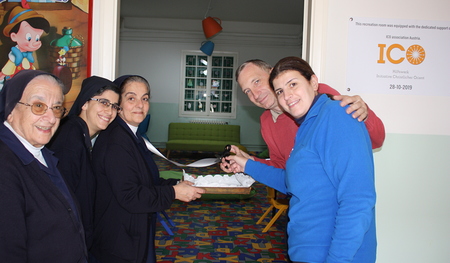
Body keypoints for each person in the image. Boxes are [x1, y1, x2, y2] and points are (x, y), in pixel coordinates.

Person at [225, 57, 376, 262]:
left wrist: (365, 113)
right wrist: (247, 164)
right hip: (306, 248)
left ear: (314, 83)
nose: (287, 96)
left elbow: (357, 200)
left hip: (331, 252)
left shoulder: (334, 111)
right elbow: (292, 180)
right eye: (280, 91)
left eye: (293, 84)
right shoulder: (304, 126)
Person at [90, 75, 205, 263]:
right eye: (131, 98)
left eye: (145, 98)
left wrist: (176, 184)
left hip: (131, 233)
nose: (140, 105)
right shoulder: (116, 142)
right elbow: (130, 196)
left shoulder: (131, 136)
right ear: (118, 103)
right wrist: (174, 192)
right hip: (118, 241)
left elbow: (145, 180)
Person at [221, 59, 385, 171]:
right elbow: (283, 167)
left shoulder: (320, 95)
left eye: (256, 81)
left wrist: (364, 113)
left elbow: (376, 140)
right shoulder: (266, 121)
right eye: (247, 91)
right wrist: (249, 162)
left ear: (272, 73)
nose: (255, 95)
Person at [0, 70, 88, 262]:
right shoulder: (4, 167)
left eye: (57, 108)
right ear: (10, 109)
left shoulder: (41, 152)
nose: (51, 118)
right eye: (38, 106)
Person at [48, 76, 121, 250]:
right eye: (103, 102)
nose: (109, 111)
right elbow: (62, 200)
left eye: (114, 106)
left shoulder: (79, 134)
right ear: (85, 103)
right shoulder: (70, 140)